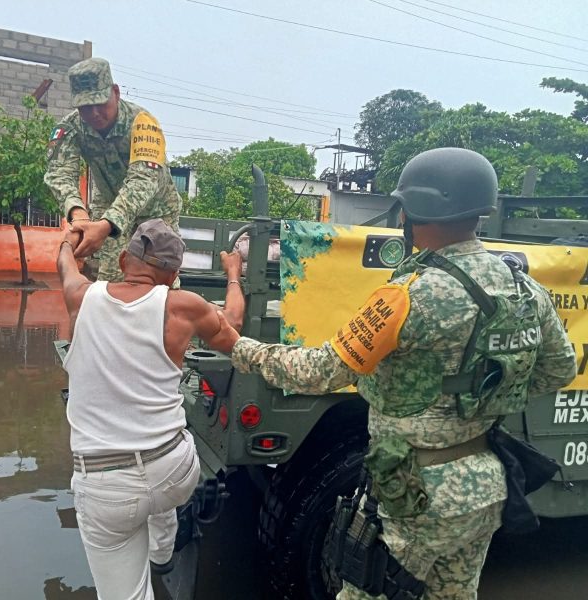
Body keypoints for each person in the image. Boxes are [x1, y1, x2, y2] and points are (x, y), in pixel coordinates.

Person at [217, 148, 576, 600]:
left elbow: (320, 371)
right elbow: (558, 368)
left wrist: (239, 347)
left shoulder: (408, 295)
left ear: (414, 211)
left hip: (415, 494)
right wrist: (483, 397)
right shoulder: (526, 289)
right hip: (485, 483)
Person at [58, 218, 244, 600]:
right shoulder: (184, 307)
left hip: (105, 486)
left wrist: (70, 241)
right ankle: (162, 553)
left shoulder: (81, 296)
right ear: (174, 274)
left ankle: (154, 561)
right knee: (162, 493)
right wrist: (233, 275)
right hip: (173, 469)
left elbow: (64, 265)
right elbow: (235, 326)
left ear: (124, 258)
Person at [45, 57, 182, 282]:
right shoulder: (70, 128)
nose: (95, 113)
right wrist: (77, 214)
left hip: (157, 213)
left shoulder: (143, 123)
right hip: (107, 208)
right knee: (111, 283)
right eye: (86, 108)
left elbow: (143, 180)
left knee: (160, 284)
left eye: (101, 103)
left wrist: (108, 224)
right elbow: (59, 172)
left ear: (116, 93)